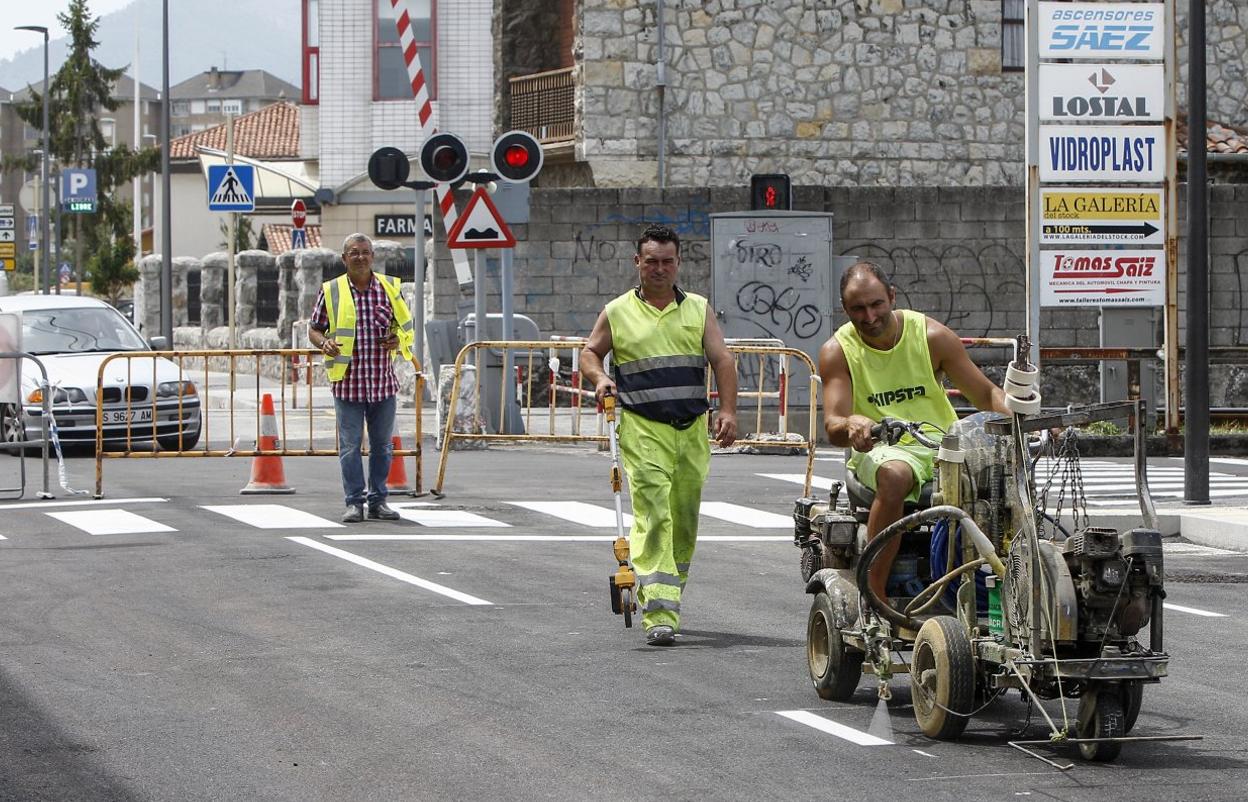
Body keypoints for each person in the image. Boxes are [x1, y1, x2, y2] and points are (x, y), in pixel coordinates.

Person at [581, 224, 739, 646]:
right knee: (654, 514)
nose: (659, 268)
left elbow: (722, 360)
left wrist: (727, 410)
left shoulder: (698, 309)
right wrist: (599, 380)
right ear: (638, 263)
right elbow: (590, 352)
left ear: (678, 263)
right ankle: (659, 613)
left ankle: (667, 591)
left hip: (690, 431)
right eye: (651, 260)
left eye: (667, 260)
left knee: (683, 521)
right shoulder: (617, 311)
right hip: (642, 427)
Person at [819, 261, 1008, 604]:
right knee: (896, 475)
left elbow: (985, 394)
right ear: (845, 310)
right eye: (858, 309)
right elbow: (833, 424)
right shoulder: (838, 351)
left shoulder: (932, 336)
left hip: (941, 444)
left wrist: (1023, 415)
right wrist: (852, 423)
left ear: (892, 296)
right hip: (881, 447)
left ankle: (1012, 585)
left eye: (877, 304)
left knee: (1004, 479)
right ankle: (873, 595)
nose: (870, 316)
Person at [308, 233, 416, 523]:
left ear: (373, 256)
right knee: (350, 447)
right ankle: (354, 502)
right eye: (353, 252)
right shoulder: (331, 291)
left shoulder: (390, 288)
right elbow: (314, 328)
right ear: (344, 259)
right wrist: (323, 343)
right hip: (348, 382)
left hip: (382, 382)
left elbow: (406, 327)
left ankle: (378, 501)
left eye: (365, 252)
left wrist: (397, 339)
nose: (360, 257)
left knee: (382, 447)